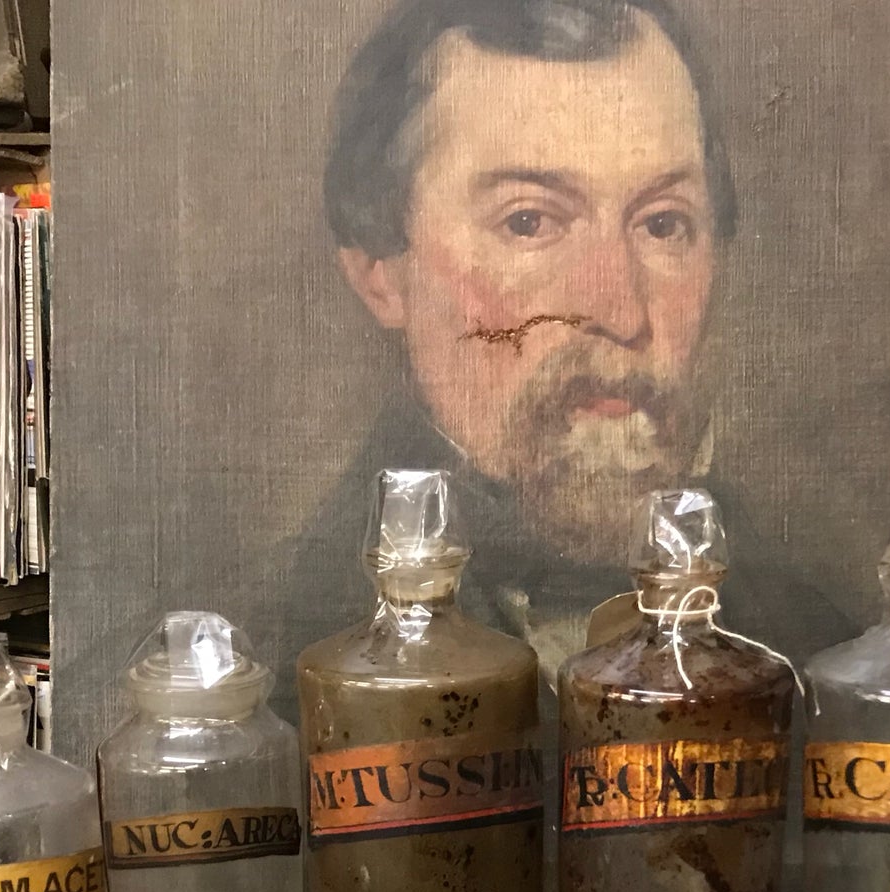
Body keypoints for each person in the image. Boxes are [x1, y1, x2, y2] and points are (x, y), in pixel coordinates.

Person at [320, 0, 845, 673]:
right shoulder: (282, 643)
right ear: (381, 273)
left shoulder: (810, 642)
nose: (620, 313)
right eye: (529, 223)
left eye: (661, 225)